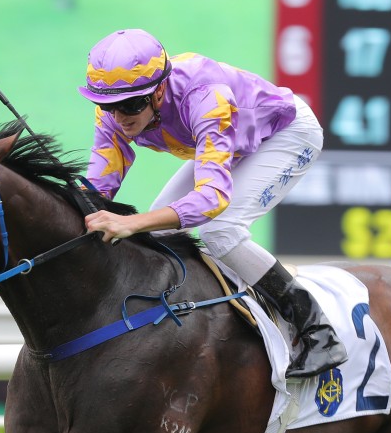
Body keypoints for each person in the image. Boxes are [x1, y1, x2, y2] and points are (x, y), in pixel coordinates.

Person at [77, 28, 346, 378]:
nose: (120, 117)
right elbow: (97, 189)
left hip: (287, 134)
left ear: (159, 90)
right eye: (108, 106)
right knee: (157, 239)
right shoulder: (116, 111)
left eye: (130, 105)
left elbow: (211, 199)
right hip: (233, 140)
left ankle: (317, 331)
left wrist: (130, 222)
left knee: (221, 229)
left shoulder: (205, 96)